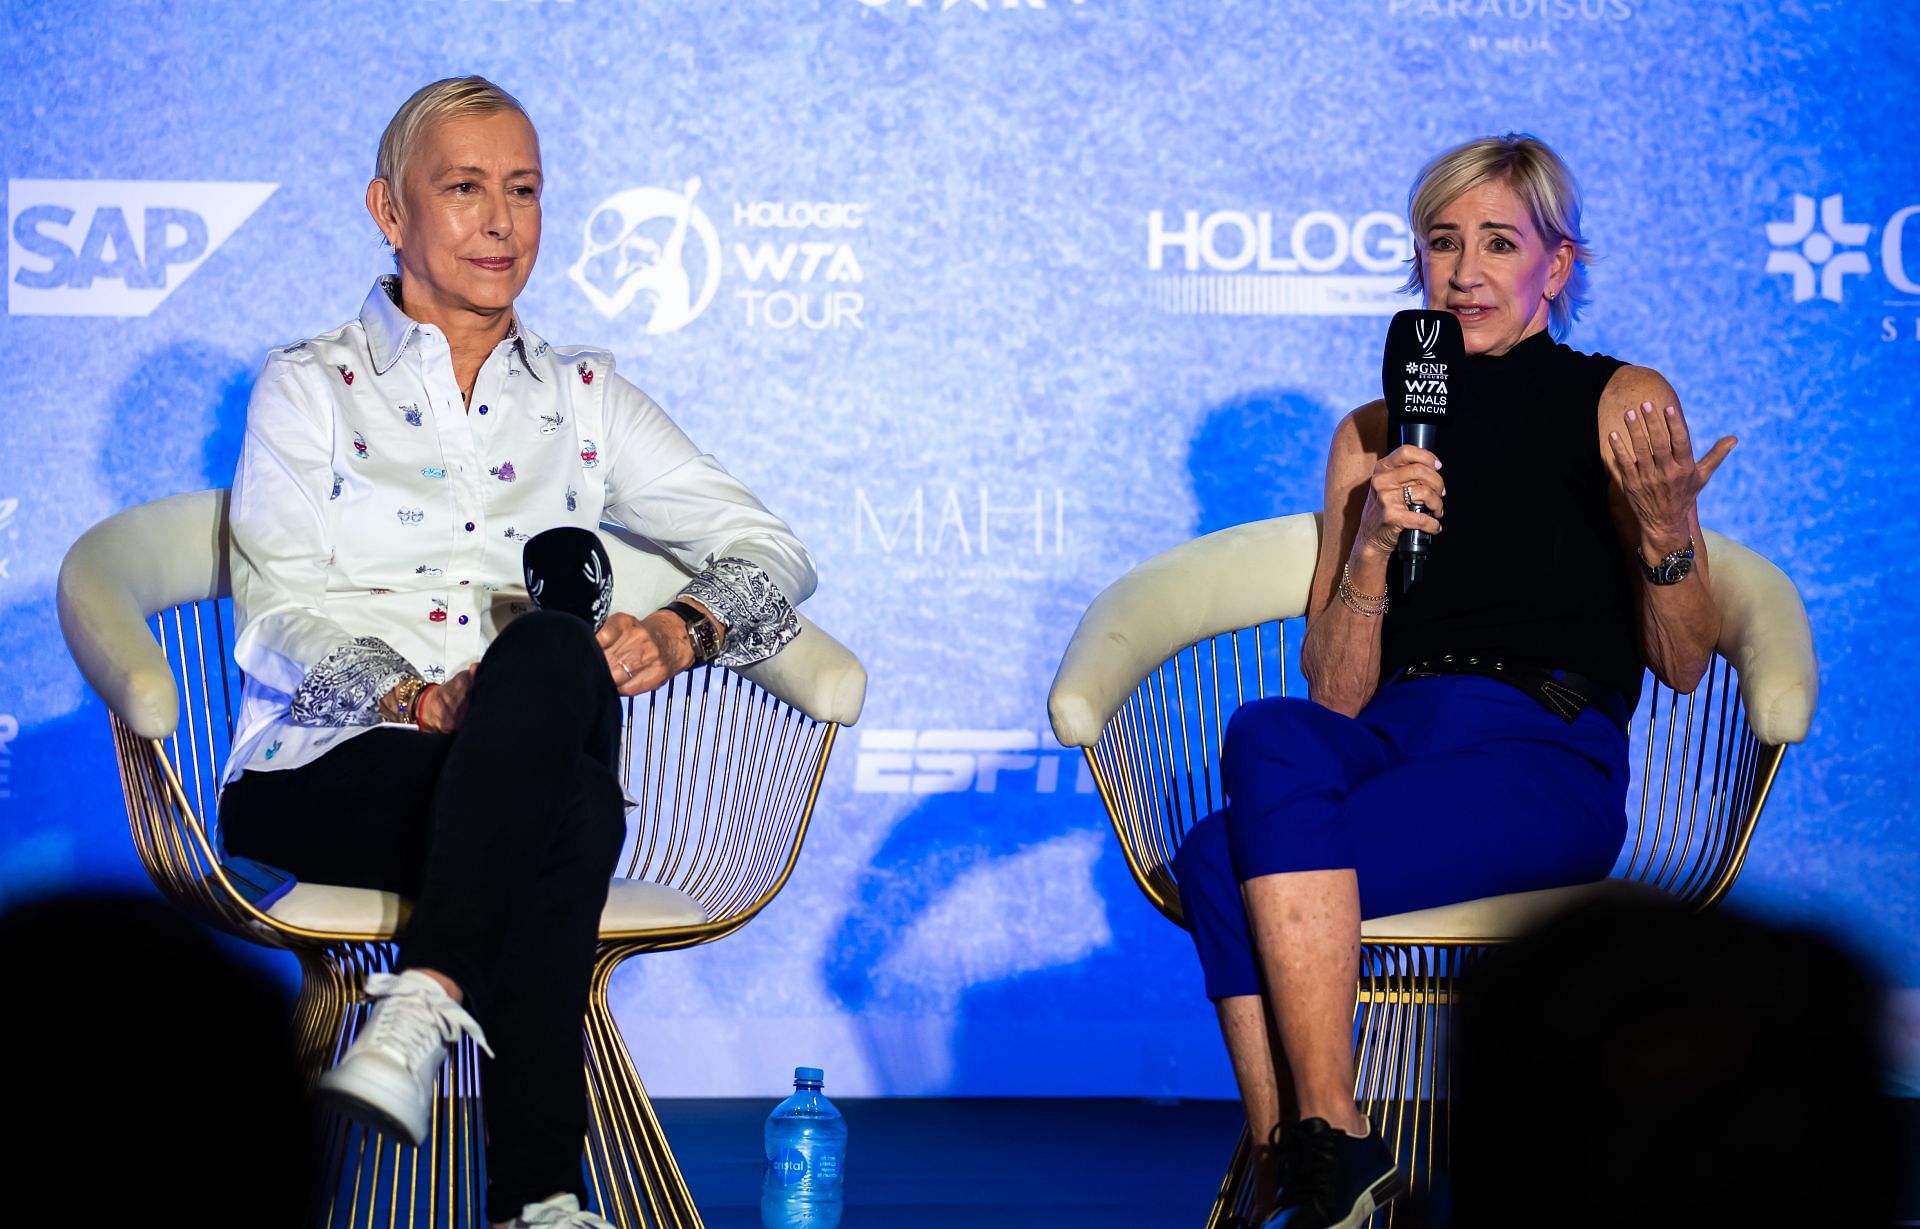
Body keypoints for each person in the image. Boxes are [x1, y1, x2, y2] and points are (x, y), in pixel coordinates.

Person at [215, 76, 816, 1229]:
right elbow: (275, 607)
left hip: (512, 747)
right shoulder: (311, 384)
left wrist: (683, 628)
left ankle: (422, 998)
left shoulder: (586, 393)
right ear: (389, 210)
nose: (501, 220)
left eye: (525, 190)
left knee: (547, 648)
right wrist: (410, 693)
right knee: (575, 811)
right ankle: (539, 1198)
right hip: (336, 765)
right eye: (465, 188)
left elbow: (775, 550)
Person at [1168, 133, 1736, 1229]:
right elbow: (1333, 698)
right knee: (1269, 728)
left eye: (1498, 243)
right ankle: (1336, 1146)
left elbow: (1681, 661)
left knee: (1213, 855)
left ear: (1555, 267)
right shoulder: (1374, 433)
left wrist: (1666, 530)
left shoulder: (1619, 399)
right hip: (1391, 737)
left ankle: (1302, 1166)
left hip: (1540, 751)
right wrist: (1373, 545)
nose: (1466, 272)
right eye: (1442, 243)